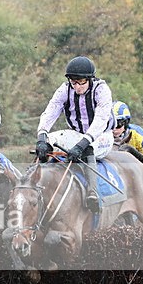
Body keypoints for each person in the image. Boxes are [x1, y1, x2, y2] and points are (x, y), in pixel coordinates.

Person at [35, 55, 115, 213]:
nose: (77, 87)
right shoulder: (64, 89)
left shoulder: (102, 90)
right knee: (46, 143)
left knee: (88, 147)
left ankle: (93, 193)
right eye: (73, 82)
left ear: (90, 79)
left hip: (102, 136)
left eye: (81, 82)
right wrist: (42, 135)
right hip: (77, 133)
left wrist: (82, 144)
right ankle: (34, 185)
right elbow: (51, 111)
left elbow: (100, 120)